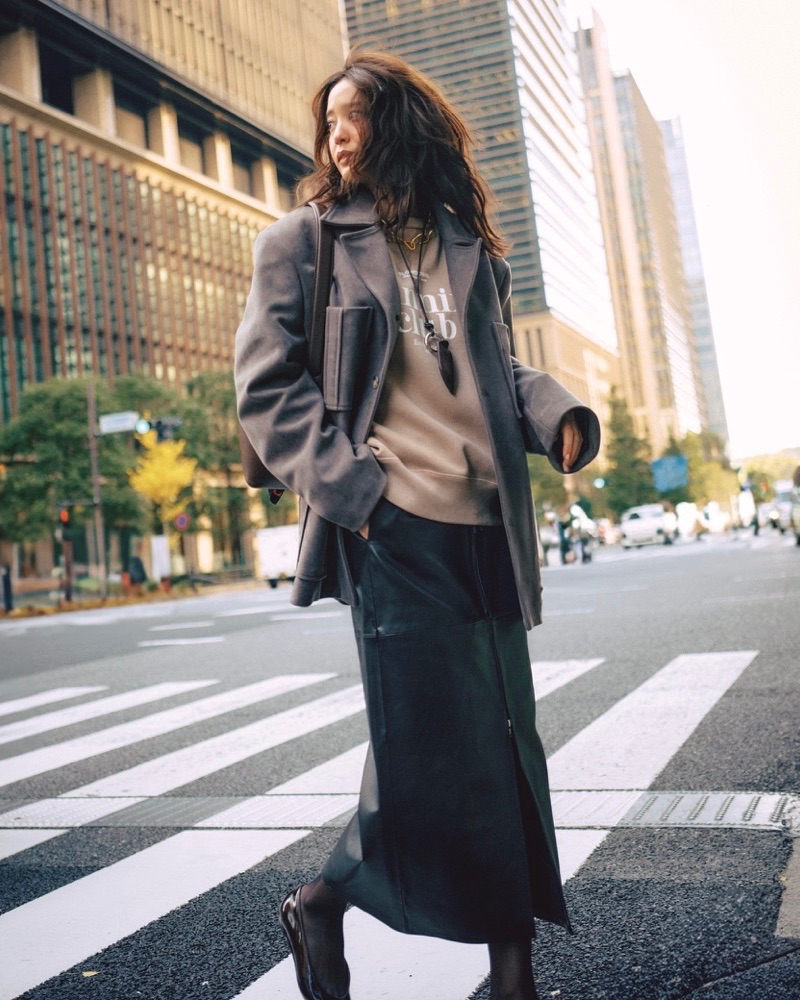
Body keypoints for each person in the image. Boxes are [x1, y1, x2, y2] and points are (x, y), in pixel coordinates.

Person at [235, 50, 601, 1000]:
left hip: (487, 526)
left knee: (503, 737)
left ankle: (508, 968)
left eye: (353, 115)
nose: (336, 135)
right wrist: (356, 493)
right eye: (328, 121)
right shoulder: (303, 243)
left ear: (401, 125)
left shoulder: (469, 248)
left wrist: (556, 412)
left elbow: (496, 369)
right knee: (429, 748)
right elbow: (266, 388)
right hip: (392, 528)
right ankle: (327, 903)